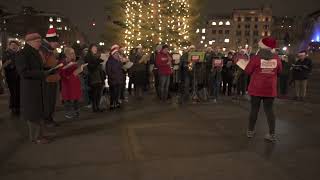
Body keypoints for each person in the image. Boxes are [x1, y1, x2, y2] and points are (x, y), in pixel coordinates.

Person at [16, 31, 57, 144]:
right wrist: (42, 73)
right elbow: (23, 72)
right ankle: (35, 137)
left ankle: (40, 134)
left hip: (38, 86)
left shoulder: (35, 52)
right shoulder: (22, 54)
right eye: (38, 41)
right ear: (30, 42)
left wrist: (49, 71)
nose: (40, 43)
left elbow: (39, 68)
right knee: (33, 113)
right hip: (30, 88)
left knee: (39, 111)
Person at [245, 37, 282, 142]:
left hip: (256, 88)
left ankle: (250, 131)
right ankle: (272, 133)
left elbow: (248, 71)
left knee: (254, 110)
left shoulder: (256, 58)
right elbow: (279, 72)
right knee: (270, 111)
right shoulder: (276, 58)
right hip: (270, 89)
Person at [39, 28, 60, 127]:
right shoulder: (43, 50)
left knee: (52, 101)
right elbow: (41, 65)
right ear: (51, 41)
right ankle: (47, 119)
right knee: (48, 101)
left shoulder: (50, 50)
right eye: (56, 42)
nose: (57, 45)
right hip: (47, 79)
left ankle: (50, 118)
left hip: (53, 78)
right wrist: (52, 68)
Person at [59, 47, 83, 119]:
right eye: (71, 53)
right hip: (67, 83)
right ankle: (68, 112)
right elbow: (61, 73)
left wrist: (79, 70)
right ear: (67, 54)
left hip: (75, 83)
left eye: (73, 53)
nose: (73, 55)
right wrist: (69, 74)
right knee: (68, 99)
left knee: (76, 98)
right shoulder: (63, 62)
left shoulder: (74, 62)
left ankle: (76, 111)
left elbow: (76, 71)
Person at [2, 40, 20, 115]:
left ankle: (17, 107)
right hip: (10, 75)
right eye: (12, 45)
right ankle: (13, 107)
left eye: (15, 45)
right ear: (9, 46)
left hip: (18, 75)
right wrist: (12, 64)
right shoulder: (6, 53)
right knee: (13, 92)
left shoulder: (19, 53)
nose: (14, 46)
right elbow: (5, 65)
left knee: (18, 91)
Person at [85, 44, 105, 112]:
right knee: (95, 93)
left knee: (99, 93)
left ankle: (97, 106)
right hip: (93, 77)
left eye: (96, 48)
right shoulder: (88, 57)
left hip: (99, 76)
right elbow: (91, 67)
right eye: (93, 48)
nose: (95, 49)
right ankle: (94, 107)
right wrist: (98, 61)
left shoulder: (96, 56)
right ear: (90, 49)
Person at [106, 45, 124, 110]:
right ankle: (112, 104)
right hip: (113, 80)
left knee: (118, 93)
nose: (117, 55)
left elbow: (121, 68)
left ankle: (117, 102)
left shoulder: (118, 61)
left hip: (119, 79)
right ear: (113, 54)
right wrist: (112, 77)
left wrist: (121, 61)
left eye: (117, 53)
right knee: (113, 93)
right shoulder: (109, 61)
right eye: (116, 53)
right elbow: (108, 71)